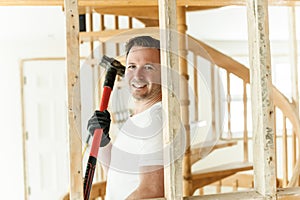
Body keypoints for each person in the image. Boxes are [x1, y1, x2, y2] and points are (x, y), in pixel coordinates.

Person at [87, 36, 164, 199]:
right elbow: (117, 174)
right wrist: (103, 142)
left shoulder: (156, 120)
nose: (137, 75)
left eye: (148, 67)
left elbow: (151, 192)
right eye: (132, 66)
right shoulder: (139, 118)